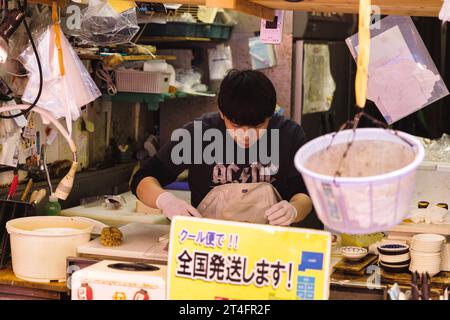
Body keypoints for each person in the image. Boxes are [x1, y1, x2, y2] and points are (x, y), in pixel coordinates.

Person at [131, 69, 313, 226]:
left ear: (271, 114)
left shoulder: (289, 135)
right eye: (236, 126)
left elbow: (305, 194)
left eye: (258, 127)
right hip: (210, 242)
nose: (246, 135)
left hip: (269, 244)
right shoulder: (199, 134)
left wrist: (294, 209)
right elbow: (143, 178)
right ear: (221, 112)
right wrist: (165, 201)